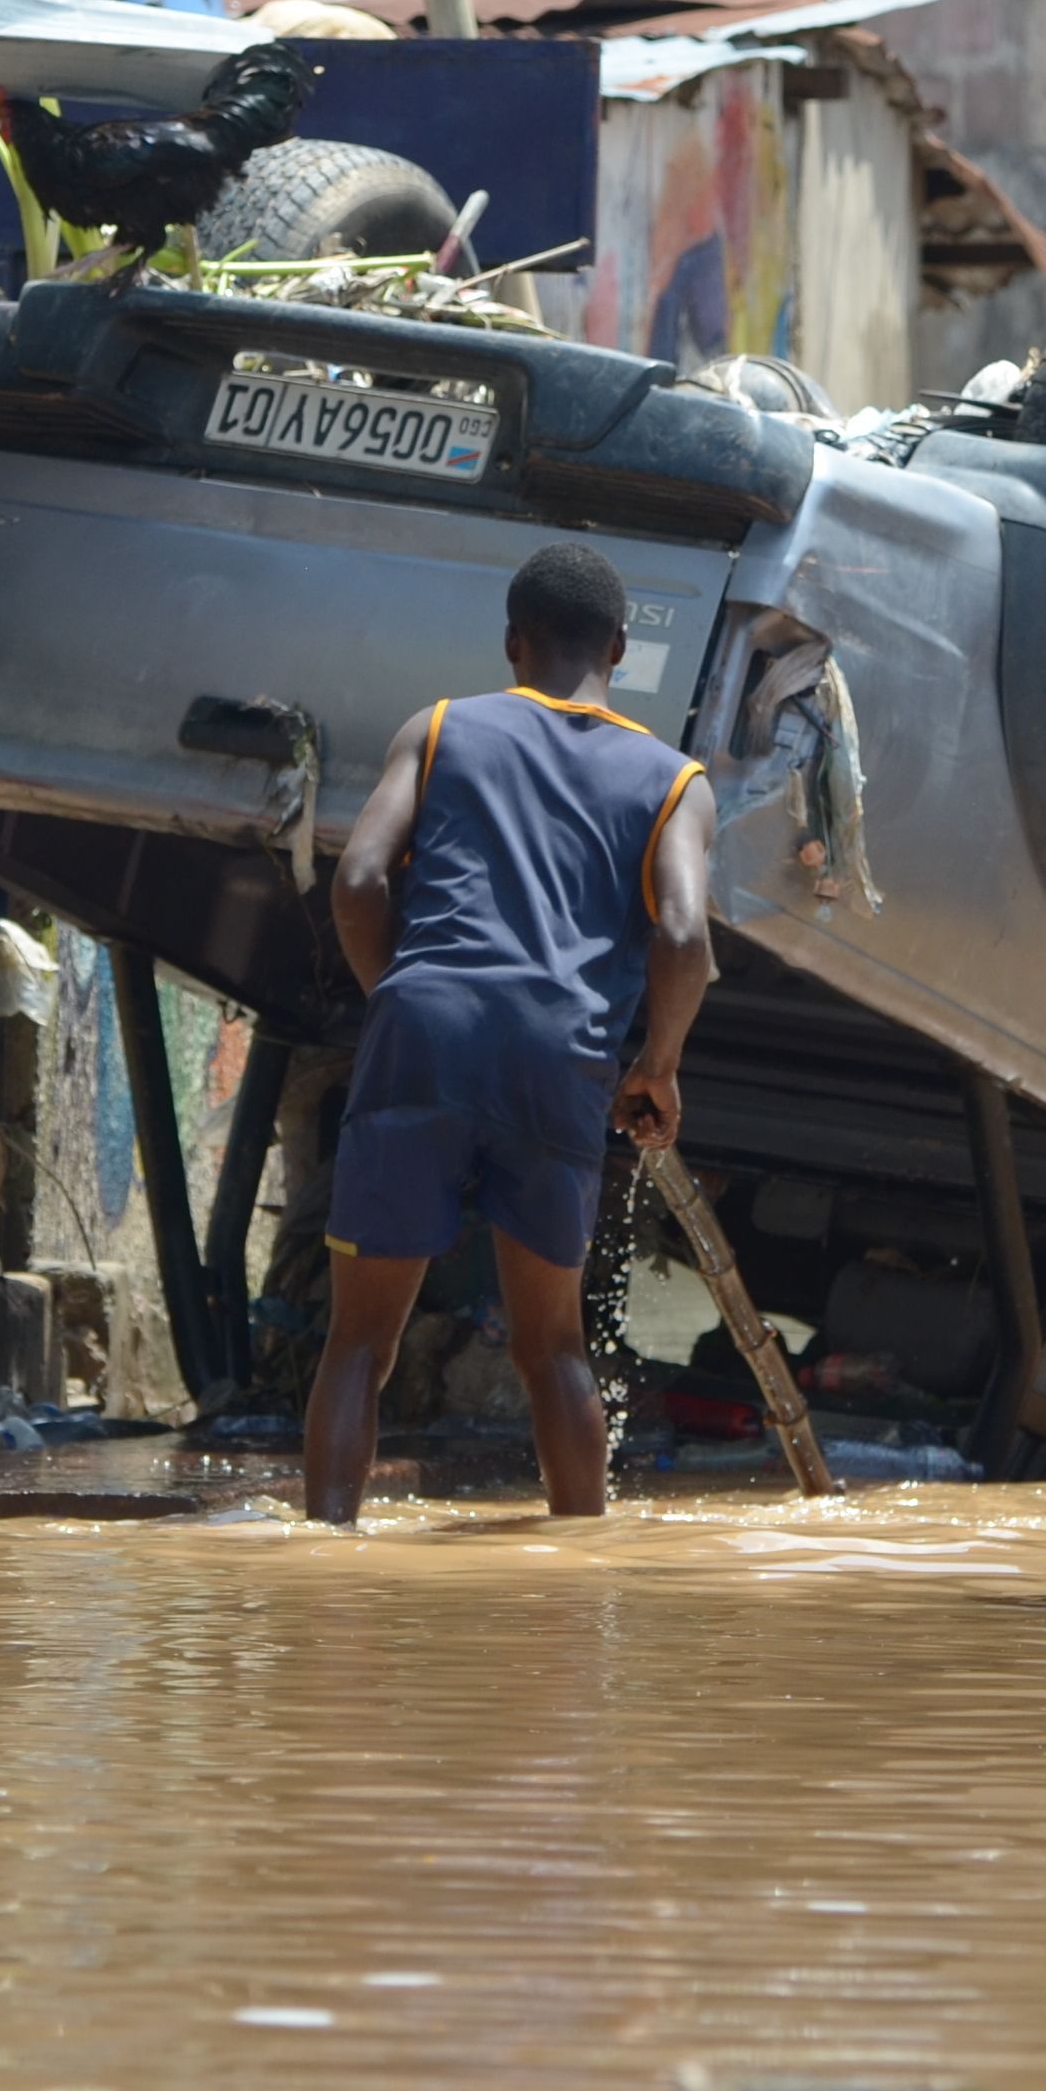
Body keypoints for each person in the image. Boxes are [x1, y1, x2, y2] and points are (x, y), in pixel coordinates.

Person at [303, 544, 718, 1526]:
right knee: (553, 1349)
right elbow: (685, 934)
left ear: (511, 641)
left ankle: (322, 1559)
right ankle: (580, 1567)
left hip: (426, 1025)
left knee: (358, 1341)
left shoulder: (441, 728)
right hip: (559, 1053)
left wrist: (399, 1003)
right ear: (619, 647)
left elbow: (358, 880)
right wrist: (655, 1067)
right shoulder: (674, 781)